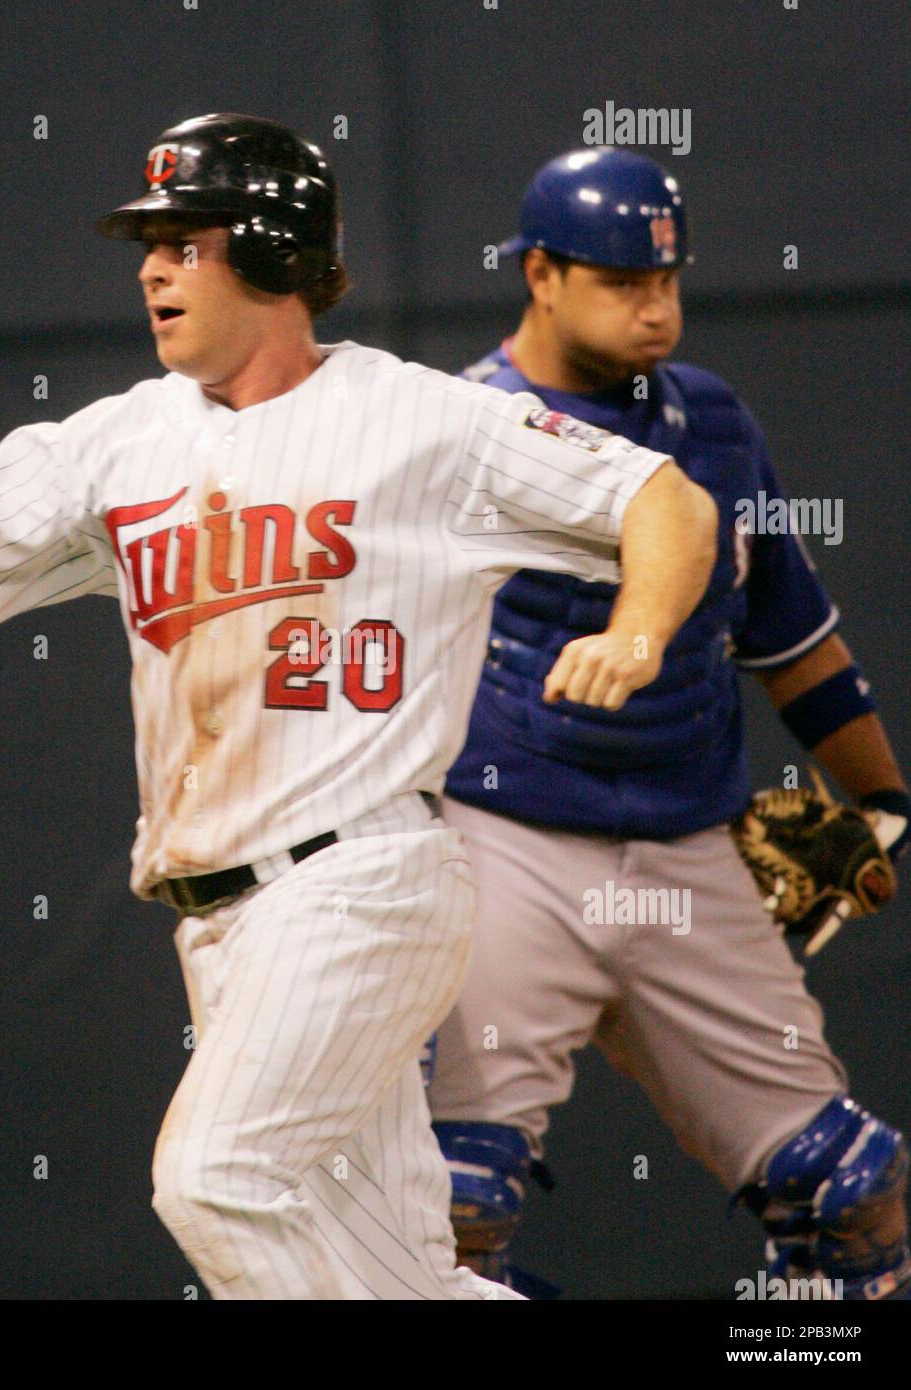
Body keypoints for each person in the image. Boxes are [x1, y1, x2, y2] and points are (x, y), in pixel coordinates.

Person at [0, 117, 716, 1301]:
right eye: (151, 244)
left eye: (183, 242)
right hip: (219, 924)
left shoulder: (423, 421)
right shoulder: (117, 443)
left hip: (363, 879)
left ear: (276, 253)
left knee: (218, 1178)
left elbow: (662, 498)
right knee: (408, 1272)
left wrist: (637, 630)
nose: (150, 268)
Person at [427, 148, 911, 1300]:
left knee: (849, 1194)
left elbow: (790, 637)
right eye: (618, 281)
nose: (654, 305)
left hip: (689, 841)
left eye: (667, 280)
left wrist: (883, 799)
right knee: (444, 1209)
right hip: (502, 840)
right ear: (538, 274)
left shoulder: (711, 421)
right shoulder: (452, 431)